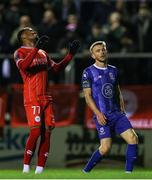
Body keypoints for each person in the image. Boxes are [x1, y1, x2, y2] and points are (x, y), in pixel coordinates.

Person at [13, 27, 80, 174]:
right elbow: (24, 67)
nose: (33, 31)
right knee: (36, 132)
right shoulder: (19, 52)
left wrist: (70, 55)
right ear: (23, 36)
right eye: (29, 31)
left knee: (47, 131)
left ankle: (40, 171)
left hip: (46, 97)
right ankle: (25, 169)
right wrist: (36, 48)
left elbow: (56, 68)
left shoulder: (43, 53)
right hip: (32, 97)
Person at [81, 41, 138, 173]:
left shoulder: (114, 70)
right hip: (102, 115)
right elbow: (87, 96)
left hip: (116, 114)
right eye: (98, 51)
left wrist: (122, 109)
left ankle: (128, 174)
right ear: (93, 55)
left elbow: (117, 91)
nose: (101, 52)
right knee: (105, 148)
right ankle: (85, 172)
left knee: (133, 138)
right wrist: (98, 114)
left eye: (103, 49)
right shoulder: (88, 72)